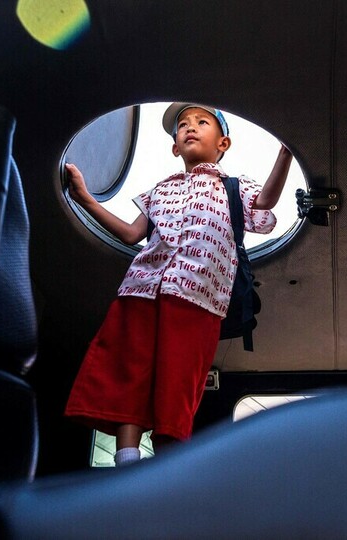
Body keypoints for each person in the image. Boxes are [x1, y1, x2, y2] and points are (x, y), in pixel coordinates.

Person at [64, 103, 293, 465]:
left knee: (178, 381)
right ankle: (127, 459)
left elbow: (265, 202)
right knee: (131, 371)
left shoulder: (233, 187)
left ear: (223, 143)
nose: (190, 127)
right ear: (174, 147)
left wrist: (286, 152)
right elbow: (131, 234)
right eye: (182, 125)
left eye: (203, 122)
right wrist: (85, 198)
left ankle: (166, 467)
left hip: (197, 295)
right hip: (141, 289)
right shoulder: (159, 189)